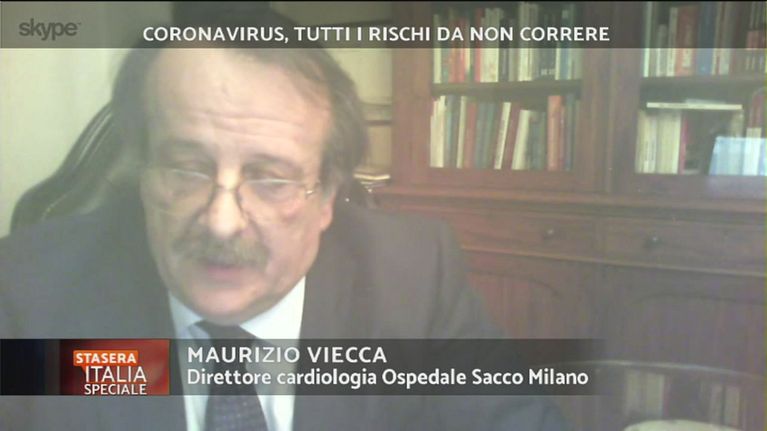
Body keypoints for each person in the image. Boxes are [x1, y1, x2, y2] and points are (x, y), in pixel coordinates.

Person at [0, 34, 567, 431]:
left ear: (326, 198)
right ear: (143, 173)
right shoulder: (29, 291)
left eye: (270, 179)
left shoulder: (414, 280)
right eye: (186, 169)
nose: (222, 222)